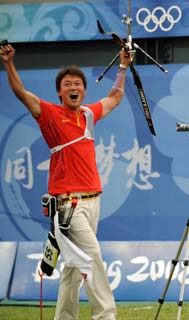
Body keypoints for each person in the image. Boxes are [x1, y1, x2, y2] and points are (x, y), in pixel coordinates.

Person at [1, 43, 132, 320]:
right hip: (68, 205)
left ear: (83, 90)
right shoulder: (49, 113)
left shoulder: (87, 114)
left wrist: (122, 67)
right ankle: (106, 316)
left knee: (73, 267)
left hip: (93, 201)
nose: (73, 87)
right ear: (60, 91)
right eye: (67, 84)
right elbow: (20, 93)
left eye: (78, 84)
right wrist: (9, 63)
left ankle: (64, 317)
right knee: (93, 256)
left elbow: (115, 97)